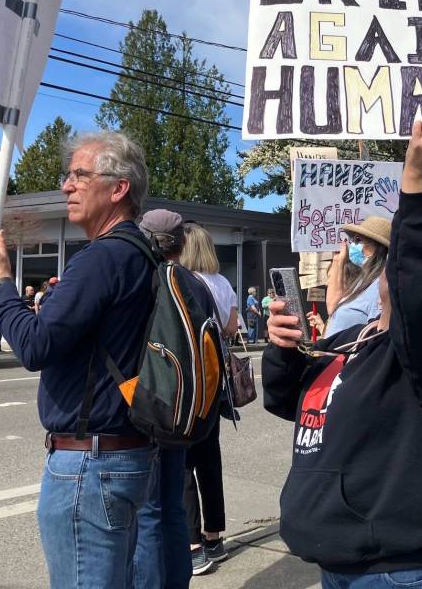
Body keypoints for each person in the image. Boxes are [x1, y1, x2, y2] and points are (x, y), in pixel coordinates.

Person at [263, 117, 422, 589]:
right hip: (337, 561)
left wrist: (416, 180)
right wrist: (283, 346)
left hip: (397, 569)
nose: (383, 268)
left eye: (393, 260)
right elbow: (284, 399)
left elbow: (414, 287)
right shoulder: (349, 340)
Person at [0, 130, 158, 589]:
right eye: (67, 175)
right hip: (124, 451)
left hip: (90, 464)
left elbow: (35, 345)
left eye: (80, 175)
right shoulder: (143, 253)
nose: (66, 186)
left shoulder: (101, 259)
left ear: (118, 188)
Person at [133, 210, 213, 589]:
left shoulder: (152, 279)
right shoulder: (195, 282)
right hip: (188, 410)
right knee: (173, 507)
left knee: (148, 511)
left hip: (154, 404)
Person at [179, 221, 239, 576]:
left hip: (189, 380)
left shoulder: (182, 281)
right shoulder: (223, 283)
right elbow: (231, 328)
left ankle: (193, 545)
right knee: (209, 458)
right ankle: (215, 536)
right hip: (216, 380)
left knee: (184, 460)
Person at [324, 217, 391, 335]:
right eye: (353, 240)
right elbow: (332, 307)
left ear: (376, 247)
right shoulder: (363, 280)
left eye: (358, 240)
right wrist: (338, 260)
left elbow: (377, 333)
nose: (353, 245)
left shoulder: (380, 286)